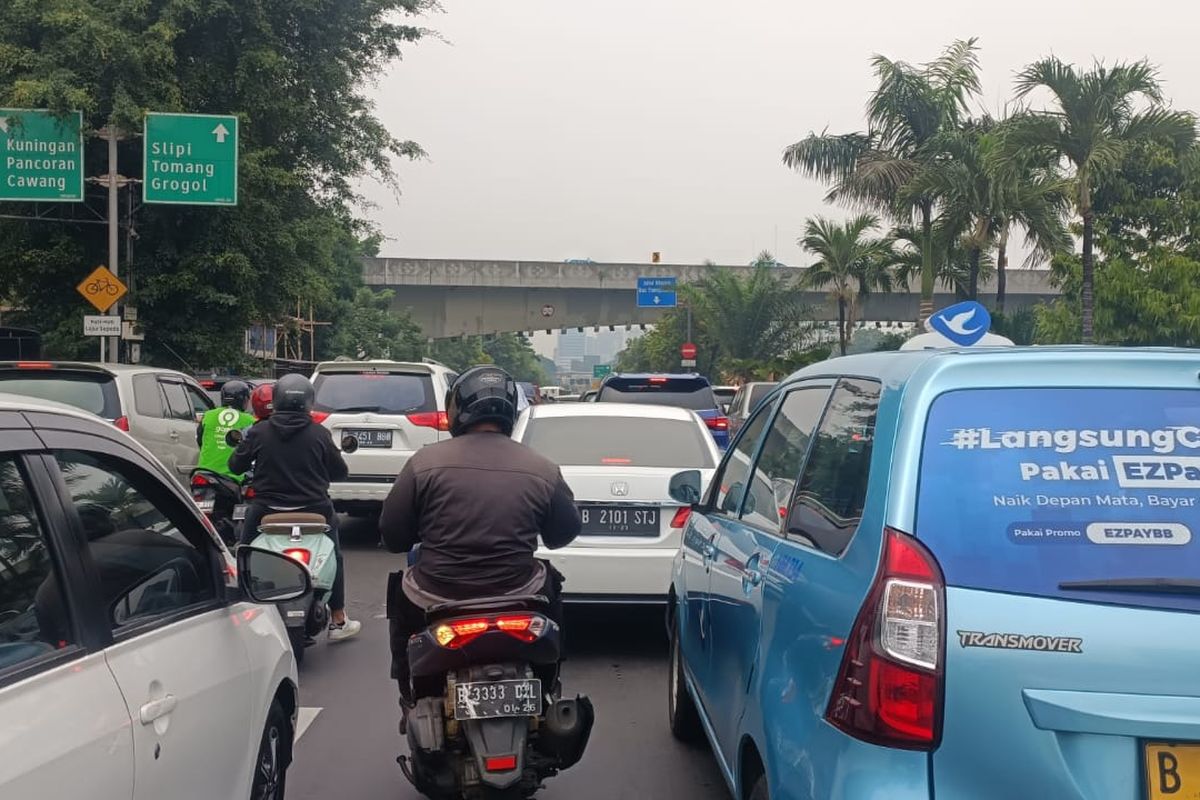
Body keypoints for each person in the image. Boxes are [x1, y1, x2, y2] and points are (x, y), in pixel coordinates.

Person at [379, 365, 582, 705]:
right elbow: (563, 533)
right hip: (520, 592)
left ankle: (409, 696)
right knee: (552, 581)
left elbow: (393, 536)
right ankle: (549, 685)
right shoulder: (542, 468)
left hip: (437, 594)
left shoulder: (424, 463)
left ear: (457, 409)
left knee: (400, 592)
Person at [230, 373, 361, 642]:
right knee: (334, 556)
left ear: (277, 399)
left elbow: (235, 466)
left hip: (266, 510)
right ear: (309, 401)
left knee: (244, 552)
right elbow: (340, 472)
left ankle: (242, 609)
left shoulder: (259, 431)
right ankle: (338, 619)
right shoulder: (319, 433)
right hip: (315, 510)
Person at [195, 380, 255, 482]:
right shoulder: (249, 420)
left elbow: (200, 441)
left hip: (203, 474)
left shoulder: (208, 415)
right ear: (244, 399)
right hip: (233, 479)